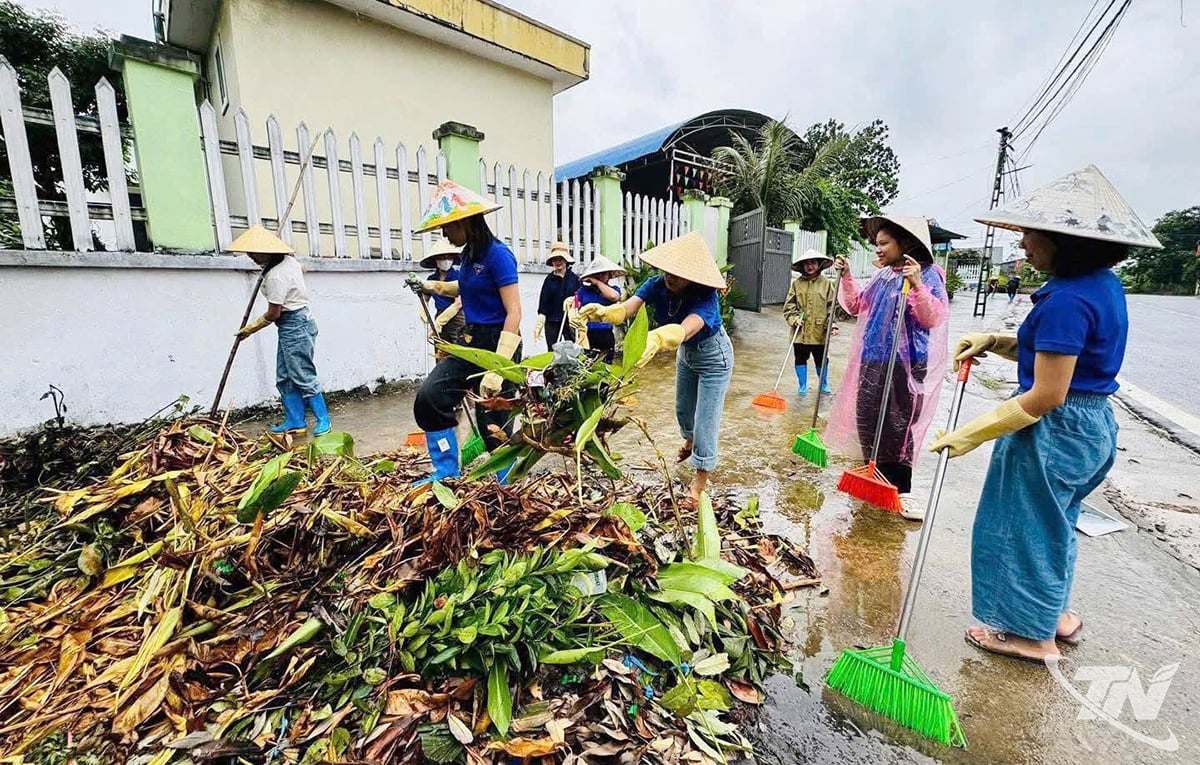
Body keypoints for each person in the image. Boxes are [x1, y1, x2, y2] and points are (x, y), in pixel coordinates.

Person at [931, 165, 1162, 663]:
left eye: (1031, 234)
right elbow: (1063, 358)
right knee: (1054, 522)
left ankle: (1032, 638)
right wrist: (995, 342)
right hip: (1091, 424)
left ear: (1065, 241)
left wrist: (973, 432)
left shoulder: (1066, 300)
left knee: (1024, 526)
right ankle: (1054, 614)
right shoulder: (1100, 286)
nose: (1023, 245)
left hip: (1055, 429)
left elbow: (1047, 395)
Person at [579, 232, 731, 506]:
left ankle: (698, 486)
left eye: (680, 273)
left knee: (705, 421)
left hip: (713, 357)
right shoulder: (656, 284)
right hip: (687, 355)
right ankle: (689, 441)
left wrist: (658, 337)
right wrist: (602, 313)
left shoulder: (706, 297)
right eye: (668, 270)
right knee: (683, 409)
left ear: (695, 277)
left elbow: (686, 329)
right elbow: (625, 309)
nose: (671, 277)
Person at [824, 216, 950, 520]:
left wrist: (917, 284)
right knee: (868, 421)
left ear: (905, 243)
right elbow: (856, 306)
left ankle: (899, 490)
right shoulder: (882, 277)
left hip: (906, 365)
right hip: (874, 359)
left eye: (883, 244)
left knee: (898, 427)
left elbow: (932, 317)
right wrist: (848, 276)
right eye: (876, 244)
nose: (877, 250)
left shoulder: (930, 275)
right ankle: (873, 479)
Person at [406, 181, 522, 484]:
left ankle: (504, 481)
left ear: (465, 221)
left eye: (447, 227)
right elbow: (464, 287)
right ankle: (446, 470)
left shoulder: (499, 255)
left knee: (492, 418)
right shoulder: (469, 255)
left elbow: (515, 312)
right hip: (469, 340)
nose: (444, 234)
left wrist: (499, 368)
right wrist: (430, 286)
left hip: (499, 342)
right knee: (430, 398)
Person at [233, 225, 332, 436]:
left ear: (268, 251)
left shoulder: (276, 275)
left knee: (302, 374)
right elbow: (300, 268)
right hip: (289, 325)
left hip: (296, 324)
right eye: (249, 252)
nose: (251, 256)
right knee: (284, 376)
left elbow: (273, 314)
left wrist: (249, 329)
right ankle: (296, 420)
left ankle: (324, 420)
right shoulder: (287, 261)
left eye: (254, 252)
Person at [782, 249, 837, 396]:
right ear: (802, 266)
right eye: (806, 264)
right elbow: (788, 306)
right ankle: (802, 386)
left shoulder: (826, 284)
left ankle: (823, 383)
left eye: (813, 262)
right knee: (800, 358)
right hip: (800, 332)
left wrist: (832, 325)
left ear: (819, 264)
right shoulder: (797, 284)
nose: (810, 266)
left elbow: (831, 306)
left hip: (820, 331)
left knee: (821, 359)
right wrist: (794, 318)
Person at [574, 255, 626, 364]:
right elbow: (576, 306)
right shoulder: (583, 290)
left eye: (604, 273)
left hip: (605, 332)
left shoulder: (614, 289)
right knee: (587, 364)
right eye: (598, 274)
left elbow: (614, 297)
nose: (601, 276)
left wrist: (597, 282)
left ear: (609, 275)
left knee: (606, 364)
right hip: (588, 333)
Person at [534, 242, 580, 349]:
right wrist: (540, 319)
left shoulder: (574, 279)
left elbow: (578, 298)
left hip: (570, 319)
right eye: (555, 259)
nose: (558, 262)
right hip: (552, 320)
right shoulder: (549, 280)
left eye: (561, 259)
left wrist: (577, 313)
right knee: (553, 349)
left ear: (566, 260)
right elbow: (543, 301)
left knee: (573, 348)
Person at [419, 238, 464, 345]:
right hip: (439, 314)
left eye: (449, 257)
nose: (446, 260)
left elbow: (458, 303)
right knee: (440, 349)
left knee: (458, 349)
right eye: (442, 257)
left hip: (457, 317)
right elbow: (424, 298)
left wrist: (439, 322)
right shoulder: (431, 279)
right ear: (436, 259)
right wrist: (425, 315)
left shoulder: (458, 276)